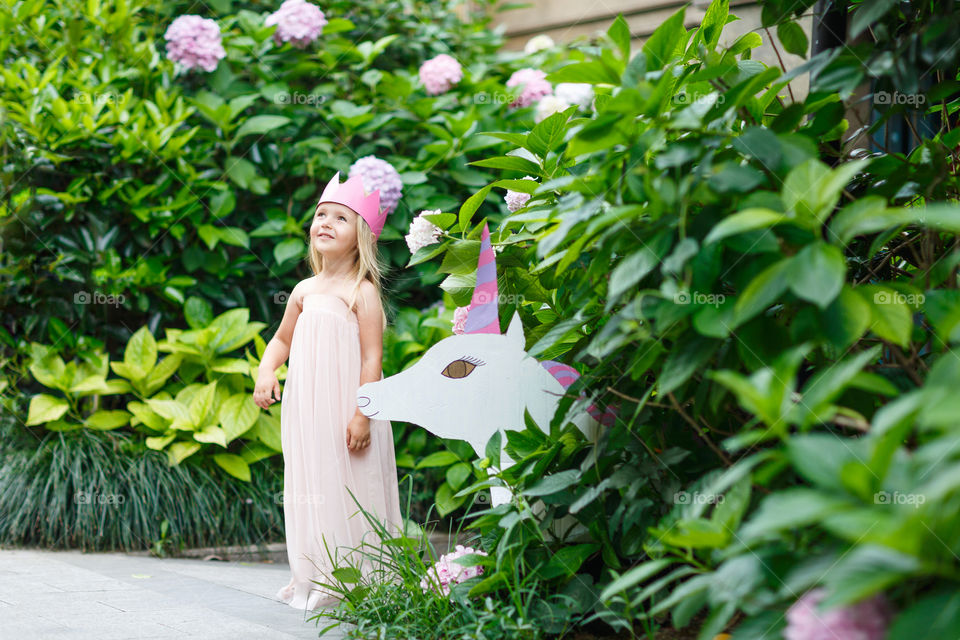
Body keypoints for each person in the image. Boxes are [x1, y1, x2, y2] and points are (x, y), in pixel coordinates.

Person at [252, 171, 403, 611]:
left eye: (340, 217)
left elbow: (372, 358)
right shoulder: (303, 290)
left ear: (360, 237)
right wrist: (267, 372)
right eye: (321, 214)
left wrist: (363, 413)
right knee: (312, 481)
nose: (325, 223)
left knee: (351, 482)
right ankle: (315, 572)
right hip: (307, 412)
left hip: (346, 408)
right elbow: (282, 340)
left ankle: (358, 575)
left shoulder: (363, 293)